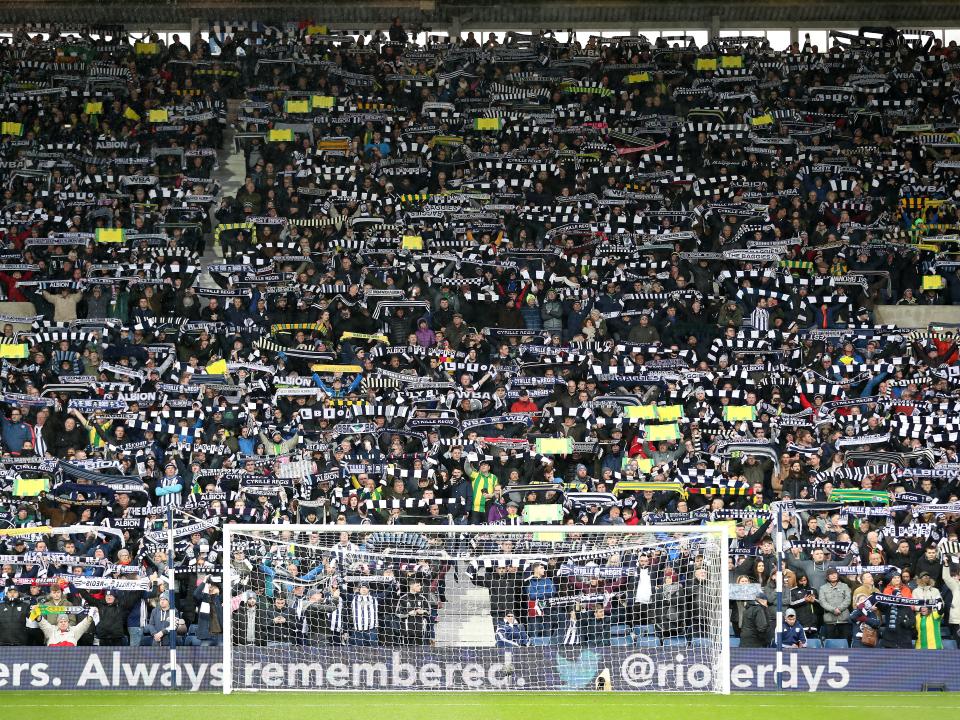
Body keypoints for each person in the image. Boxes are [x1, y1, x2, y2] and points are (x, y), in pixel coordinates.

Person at [818, 569, 851, 642]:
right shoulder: (823, 588)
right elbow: (822, 602)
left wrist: (839, 609)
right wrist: (833, 610)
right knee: (830, 643)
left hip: (844, 620)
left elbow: (848, 600)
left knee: (845, 642)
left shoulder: (844, 586)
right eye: (831, 574)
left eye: (835, 574)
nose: (833, 575)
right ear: (827, 577)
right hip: (829, 621)